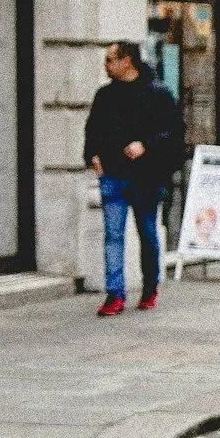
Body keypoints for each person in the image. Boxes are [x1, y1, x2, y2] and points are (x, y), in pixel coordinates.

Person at [82, 40, 183, 315]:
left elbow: (174, 134)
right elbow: (93, 129)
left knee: (147, 234)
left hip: (146, 178)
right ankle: (114, 294)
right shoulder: (104, 95)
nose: (106, 65)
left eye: (110, 59)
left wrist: (146, 145)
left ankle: (150, 286)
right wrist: (92, 155)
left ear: (127, 61)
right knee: (112, 236)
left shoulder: (157, 93)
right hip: (113, 174)